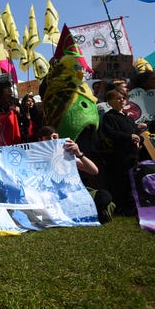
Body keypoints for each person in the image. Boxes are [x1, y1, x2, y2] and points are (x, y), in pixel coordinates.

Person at [38, 126, 114, 223]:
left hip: (72, 194)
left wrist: (79, 154)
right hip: (48, 196)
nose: (52, 140)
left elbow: (94, 171)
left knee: (103, 196)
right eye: (48, 138)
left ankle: (91, 213)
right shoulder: (34, 157)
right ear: (40, 140)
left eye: (54, 137)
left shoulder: (66, 154)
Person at [99, 87, 144, 216]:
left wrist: (138, 138)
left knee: (132, 181)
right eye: (118, 98)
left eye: (124, 98)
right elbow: (110, 133)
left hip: (132, 155)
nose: (122, 100)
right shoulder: (109, 117)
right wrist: (129, 137)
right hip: (119, 156)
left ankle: (132, 207)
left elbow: (135, 134)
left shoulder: (128, 118)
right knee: (121, 182)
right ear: (110, 101)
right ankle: (122, 207)